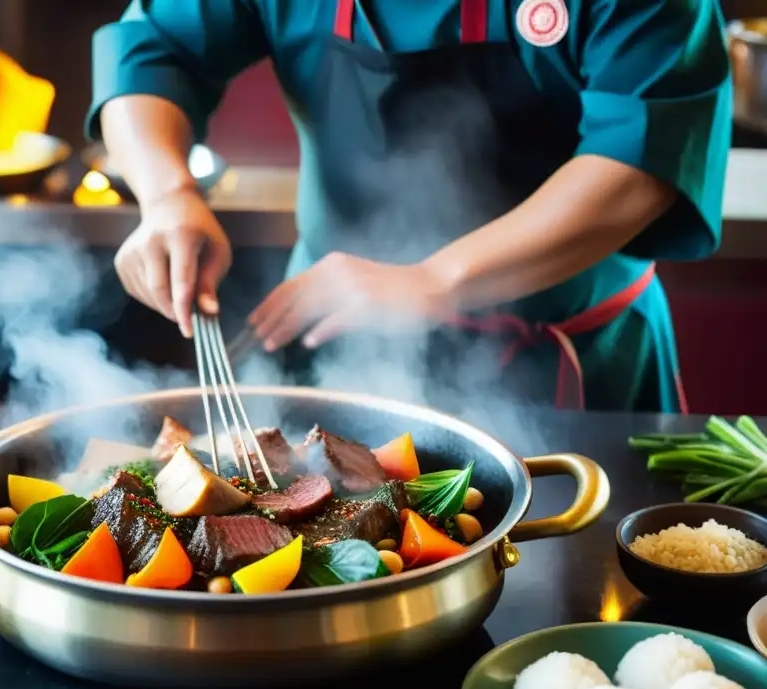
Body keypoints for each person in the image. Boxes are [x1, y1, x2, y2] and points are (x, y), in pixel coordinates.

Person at [87, 0, 732, 412]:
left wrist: (433, 281)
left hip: (574, 353)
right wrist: (168, 196)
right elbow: (152, 48)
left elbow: (641, 157)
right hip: (331, 330)